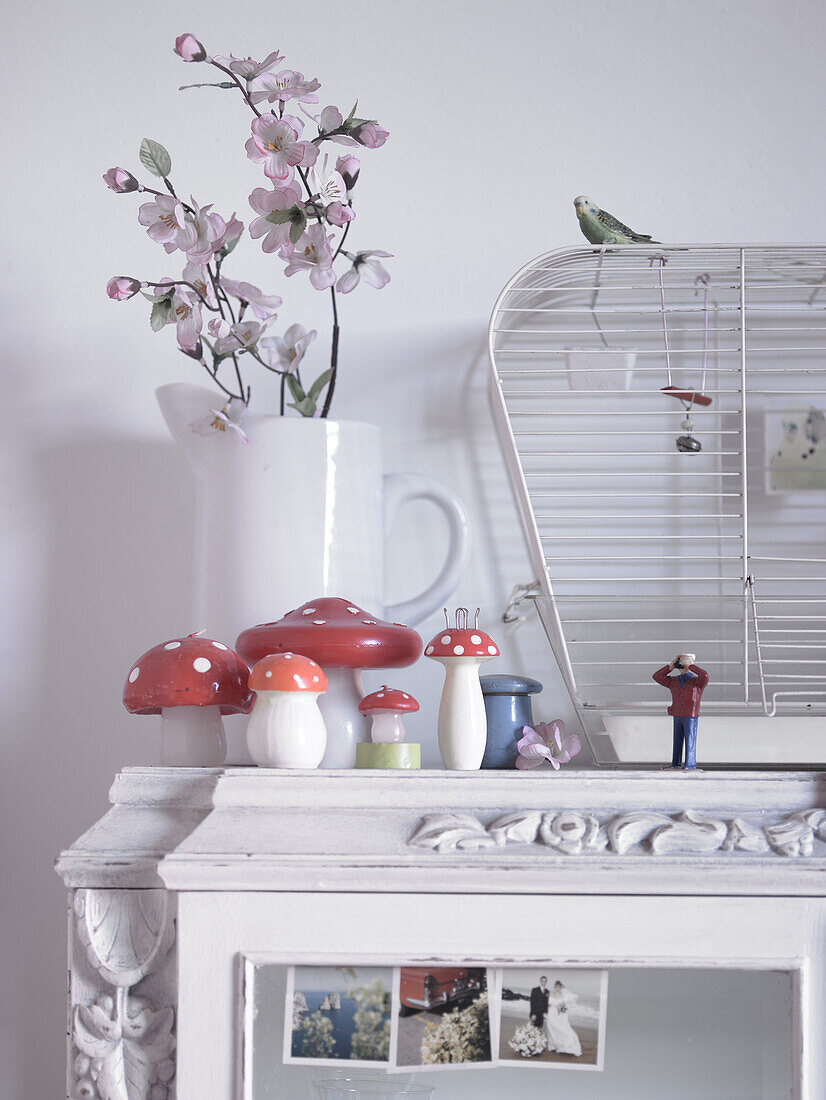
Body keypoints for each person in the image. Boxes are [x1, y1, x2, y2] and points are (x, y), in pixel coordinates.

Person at [652, 653, 709, 770]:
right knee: (677, 740)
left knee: (690, 740)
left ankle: (690, 764)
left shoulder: (697, 681)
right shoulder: (673, 681)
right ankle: (675, 764)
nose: (681, 664)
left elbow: (705, 675)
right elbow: (656, 677)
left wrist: (691, 666)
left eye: (684, 661)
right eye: (680, 661)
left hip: (690, 715)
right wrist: (670, 667)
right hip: (677, 714)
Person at [545, 980, 581, 1057]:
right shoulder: (551, 996)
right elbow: (548, 1005)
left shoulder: (564, 996)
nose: (558, 988)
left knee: (562, 1029)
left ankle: (566, 1045)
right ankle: (554, 1045)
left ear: (561, 987)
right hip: (552, 1013)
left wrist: (561, 1011)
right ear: (554, 987)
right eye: (557, 986)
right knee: (552, 1028)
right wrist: (545, 1013)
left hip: (561, 1014)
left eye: (559, 986)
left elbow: (565, 1008)